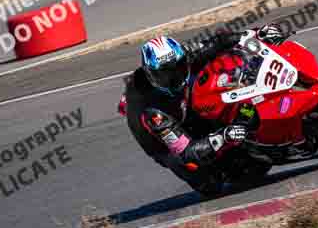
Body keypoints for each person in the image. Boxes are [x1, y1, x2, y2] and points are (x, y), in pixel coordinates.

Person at [122, 24, 286, 194]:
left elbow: (218, 41)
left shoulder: (182, 54)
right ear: (151, 75)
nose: (175, 77)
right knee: (204, 179)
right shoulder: (152, 112)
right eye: (166, 75)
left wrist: (257, 33)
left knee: (222, 75)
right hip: (164, 140)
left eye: (178, 68)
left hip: (184, 104)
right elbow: (187, 152)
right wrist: (224, 136)